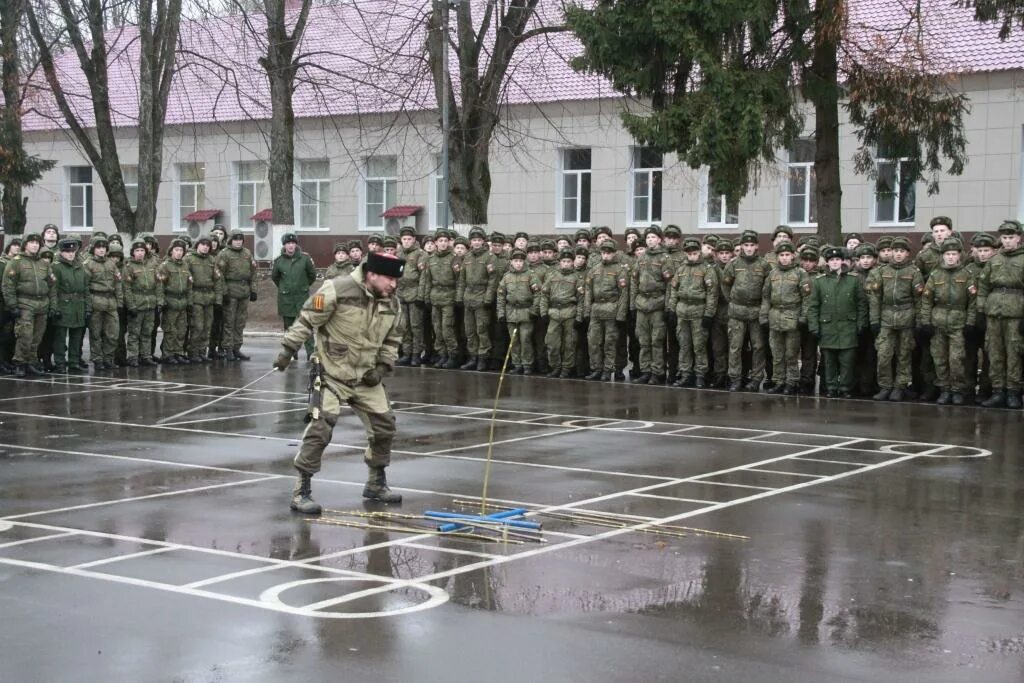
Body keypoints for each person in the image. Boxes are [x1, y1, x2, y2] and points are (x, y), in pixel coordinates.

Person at [275, 251, 407, 512]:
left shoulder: (392, 303)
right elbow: (307, 318)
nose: (393, 285)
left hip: (366, 377)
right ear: (372, 274)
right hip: (331, 374)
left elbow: (393, 339)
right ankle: (302, 490)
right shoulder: (336, 289)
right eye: (389, 279)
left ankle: (376, 484)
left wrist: (382, 367)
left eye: (396, 280)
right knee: (320, 428)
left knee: (384, 427)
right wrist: (288, 349)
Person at [919, 239, 977, 405]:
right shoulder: (935, 275)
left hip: (958, 323)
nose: (950, 257)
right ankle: (944, 389)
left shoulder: (966, 275)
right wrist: (926, 322)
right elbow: (927, 300)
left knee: (957, 359)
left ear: (959, 255)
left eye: (953, 254)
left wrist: (970, 323)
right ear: (943, 256)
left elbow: (973, 302)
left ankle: (957, 390)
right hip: (938, 322)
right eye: (947, 254)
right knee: (939, 358)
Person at [867, 236, 924, 402]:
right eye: (895, 251)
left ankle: (900, 387)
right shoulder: (882, 272)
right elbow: (875, 298)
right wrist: (874, 320)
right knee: (883, 355)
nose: (898, 254)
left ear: (907, 253)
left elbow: (919, 300)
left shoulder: (914, 273)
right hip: (886, 318)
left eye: (902, 251)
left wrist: (919, 321)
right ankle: (885, 386)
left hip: (906, 318)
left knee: (904, 355)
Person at [808, 246, 868, 398]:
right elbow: (813, 306)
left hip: (848, 327)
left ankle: (845, 388)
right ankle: (831, 387)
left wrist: (861, 324)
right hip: (827, 327)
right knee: (829, 361)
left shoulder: (853, 280)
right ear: (827, 263)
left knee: (847, 361)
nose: (834, 262)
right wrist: (814, 326)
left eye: (837, 259)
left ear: (842, 261)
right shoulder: (819, 282)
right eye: (831, 260)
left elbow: (861, 304)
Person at [977, 219, 1024, 408]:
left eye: (1011, 237)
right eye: (1004, 237)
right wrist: (981, 311)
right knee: (994, 353)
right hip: (994, 312)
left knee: (1014, 353)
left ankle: (1013, 392)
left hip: (1016, 313)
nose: (1007, 241)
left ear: (1019, 238)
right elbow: (983, 287)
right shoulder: (994, 260)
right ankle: (998, 391)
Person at [721, 230, 771, 392]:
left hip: (756, 311)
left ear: (757, 246)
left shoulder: (763, 265)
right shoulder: (733, 264)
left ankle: (756, 379)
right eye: (746, 245)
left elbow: (768, 289)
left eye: (752, 245)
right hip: (737, 312)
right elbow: (725, 285)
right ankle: (735, 378)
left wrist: (763, 309)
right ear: (741, 246)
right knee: (735, 346)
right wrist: (733, 300)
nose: (749, 248)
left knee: (758, 346)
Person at [760, 241, 811, 395]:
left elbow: (807, 298)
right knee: (776, 353)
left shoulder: (800, 273)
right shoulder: (772, 274)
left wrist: (803, 317)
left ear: (793, 256)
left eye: (787, 255)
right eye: (781, 255)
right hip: (775, 316)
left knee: (791, 353)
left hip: (792, 317)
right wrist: (764, 316)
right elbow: (766, 297)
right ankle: (779, 381)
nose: (784, 258)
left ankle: (791, 381)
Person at [667, 237, 718, 388]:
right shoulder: (681, 269)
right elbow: (674, 290)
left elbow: (712, 294)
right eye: (689, 254)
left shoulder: (706, 269)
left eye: (695, 253)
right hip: (682, 311)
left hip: (698, 311)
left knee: (699, 345)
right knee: (684, 345)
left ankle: (700, 375)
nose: (692, 256)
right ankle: (685, 374)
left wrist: (709, 314)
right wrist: (671, 309)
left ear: (699, 253)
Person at [2, 233, 54, 376]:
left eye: (37, 243)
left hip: (42, 304)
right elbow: (8, 285)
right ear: (25, 244)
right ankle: (19, 362)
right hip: (25, 303)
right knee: (24, 335)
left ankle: (31, 362)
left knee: (37, 336)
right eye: (31, 242)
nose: (35, 245)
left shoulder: (43, 263)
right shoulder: (16, 262)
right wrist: (12, 305)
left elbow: (51, 284)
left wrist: (51, 304)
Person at [584, 241, 629, 381]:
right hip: (596, 309)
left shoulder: (619, 270)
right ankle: (596, 368)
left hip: (612, 308)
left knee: (610, 342)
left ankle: (607, 370)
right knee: (594, 341)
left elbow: (623, 294)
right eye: (603, 252)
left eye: (608, 252)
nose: (605, 255)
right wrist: (586, 312)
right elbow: (588, 291)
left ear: (614, 253)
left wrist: (621, 314)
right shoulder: (594, 269)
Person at [630, 226, 669, 385]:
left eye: (653, 237)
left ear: (660, 239)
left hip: (657, 303)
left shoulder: (665, 258)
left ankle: (657, 372)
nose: (650, 240)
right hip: (642, 304)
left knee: (657, 340)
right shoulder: (641, 258)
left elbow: (670, 284)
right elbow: (634, 281)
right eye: (648, 238)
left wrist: (668, 307)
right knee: (643, 340)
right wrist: (633, 305)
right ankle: (646, 371)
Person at [457, 226, 499, 371]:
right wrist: (459, 297)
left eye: (478, 240)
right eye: (473, 240)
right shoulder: (467, 257)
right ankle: (472, 357)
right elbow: (462, 280)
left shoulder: (490, 257)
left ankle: (483, 358)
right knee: (470, 330)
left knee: (482, 330)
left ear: (483, 241)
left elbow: (493, 280)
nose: (476, 242)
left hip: (481, 296)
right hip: (468, 296)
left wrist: (488, 298)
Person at [271, 232, 317, 360]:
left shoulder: (304, 259)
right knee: (289, 327)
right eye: (288, 243)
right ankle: (291, 353)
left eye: (293, 243)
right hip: (286, 299)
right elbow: (275, 277)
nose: (290, 246)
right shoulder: (279, 261)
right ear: (284, 245)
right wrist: (284, 288)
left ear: (296, 245)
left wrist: (304, 286)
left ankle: (311, 353)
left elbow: (312, 275)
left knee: (306, 326)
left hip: (302, 297)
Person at [540, 248, 584, 378]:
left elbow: (581, 300)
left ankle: (566, 368)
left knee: (569, 344)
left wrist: (579, 317)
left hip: (569, 313)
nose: (566, 263)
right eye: (563, 261)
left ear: (572, 262)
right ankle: (555, 366)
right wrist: (543, 312)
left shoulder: (577, 278)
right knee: (552, 343)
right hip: (553, 313)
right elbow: (544, 295)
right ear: (560, 262)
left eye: (568, 261)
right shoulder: (552, 276)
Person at [419, 228, 460, 368]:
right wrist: (426, 298)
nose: (443, 243)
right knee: (437, 328)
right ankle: (442, 355)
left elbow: (459, 280)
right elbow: (427, 280)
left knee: (447, 328)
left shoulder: (454, 258)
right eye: (440, 241)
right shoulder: (431, 259)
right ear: (435, 242)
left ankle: (452, 355)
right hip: (435, 297)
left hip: (449, 296)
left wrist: (457, 298)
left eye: (445, 241)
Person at [48, 239, 89, 374]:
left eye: (73, 251)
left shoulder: (80, 267)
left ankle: (73, 362)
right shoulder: (56, 267)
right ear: (62, 252)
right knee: (60, 337)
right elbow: (53, 290)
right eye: (67, 251)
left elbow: (86, 289)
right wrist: (54, 308)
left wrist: (87, 308)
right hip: (63, 305)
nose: (71, 254)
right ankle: (60, 363)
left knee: (76, 336)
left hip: (78, 305)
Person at [496, 249, 540, 374]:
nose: (519, 263)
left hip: (526, 311)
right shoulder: (506, 277)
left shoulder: (530, 275)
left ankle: (527, 364)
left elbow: (538, 294)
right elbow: (500, 296)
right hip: (511, 312)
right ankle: (517, 364)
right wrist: (501, 313)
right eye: (516, 261)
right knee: (514, 340)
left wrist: (534, 310)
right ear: (511, 262)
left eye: (521, 261)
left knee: (525, 339)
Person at [217, 230, 257, 361]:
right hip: (230, 291)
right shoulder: (224, 254)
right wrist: (224, 292)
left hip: (244, 291)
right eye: (235, 239)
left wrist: (253, 290)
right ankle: (227, 349)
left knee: (240, 322)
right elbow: (219, 275)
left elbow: (253, 272)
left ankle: (236, 348)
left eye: (240, 239)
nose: (238, 241)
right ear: (230, 240)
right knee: (229, 321)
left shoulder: (247, 253)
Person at [185, 235, 225, 363]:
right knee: (197, 326)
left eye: (208, 245)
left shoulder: (212, 260)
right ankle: (193, 352)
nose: (205, 247)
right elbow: (186, 281)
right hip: (196, 296)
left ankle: (202, 352)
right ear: (197, 245)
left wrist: (218, 300)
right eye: (203, 244)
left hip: (209, 297)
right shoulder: (189, 259)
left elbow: (218, 281)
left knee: (207, 326)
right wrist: (189, 300)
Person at [122, 239, 161, 367]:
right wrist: (131, 306)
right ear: (133, 252)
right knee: (134, 333)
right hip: (137, 304)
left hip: (150, 303)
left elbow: (158, 284)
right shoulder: (129, 267)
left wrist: (159, 301)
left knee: (147, 332)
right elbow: (127, 289)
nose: (140, 253)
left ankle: (146, 355)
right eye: (137, 250)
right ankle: (133, 356)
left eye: (142, 250)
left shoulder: (152, 265)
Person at [395, 227, 427, 366]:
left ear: (414, 239)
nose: (407, 241)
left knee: (416, 326)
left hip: (414, 294)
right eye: (404, 239)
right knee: (404, 326)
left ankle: (416, 354)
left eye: (409, 239)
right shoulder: (399, 253)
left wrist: (420, 296)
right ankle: (406, 353)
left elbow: (423, 278)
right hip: (401, 294)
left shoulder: (421, 254)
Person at [158, 238, 192, 365]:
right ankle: (168, 354)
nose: (179, 252)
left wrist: (190, 302)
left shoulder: (185, 265)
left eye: (181, 250)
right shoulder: (165, 266)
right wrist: (162, 302)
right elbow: (160, 285)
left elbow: (189, 285)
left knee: (181, 329)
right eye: (176, 250)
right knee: (170, 330)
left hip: (182, 301)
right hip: (170, 301)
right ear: (171, 251)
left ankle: (178, 352)